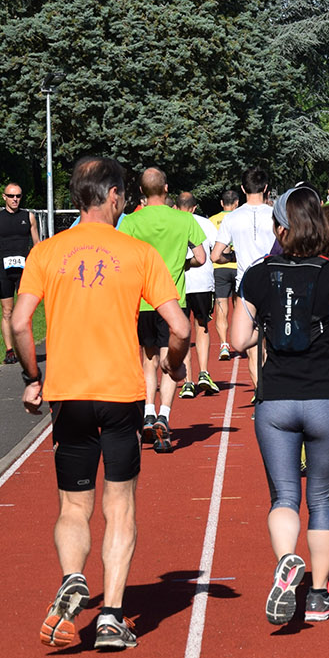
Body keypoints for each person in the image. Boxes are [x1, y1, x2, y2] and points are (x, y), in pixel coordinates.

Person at [16, 157, 190, 651]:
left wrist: (33, 378)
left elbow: (18, 322)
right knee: (121, 505)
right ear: (113, 195)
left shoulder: (47, 252)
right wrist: (174, 366)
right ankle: (112, 615)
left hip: (68, 394)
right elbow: (179, 328)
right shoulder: (137, 253)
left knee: (74, 504)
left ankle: (75, 575)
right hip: (120, 394)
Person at [227, 186, 329, 624]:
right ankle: (320, 595)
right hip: (326, 394)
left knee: (284, 495)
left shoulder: (257, 273)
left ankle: (287, 559)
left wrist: (266, 326)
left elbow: (236, 339)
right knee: (321, 497)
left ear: (279, 229)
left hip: (276, 399)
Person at [116, 168, 206, 451]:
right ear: (166, 189)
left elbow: (121, 258)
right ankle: (164, 417)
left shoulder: (130, 222)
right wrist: (181, 264)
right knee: (171, 362)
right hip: (173, 300)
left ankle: (147, 412)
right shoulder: (184, 219)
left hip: (142, 301)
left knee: (148, 360)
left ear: (141, 191)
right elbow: (202, 258)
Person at [208, 167, 277, 387]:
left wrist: (233, 255)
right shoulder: (275, 214)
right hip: (273, 281)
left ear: (242, 189)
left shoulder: (232, 218)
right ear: (265, 188)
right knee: (273, 339)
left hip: (246, 286)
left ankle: (260, 391)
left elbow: (215, 255)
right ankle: (274, 387)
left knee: (252, 344)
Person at [0, 180, 41, 365]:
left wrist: (38, 264)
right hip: (4, 270)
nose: (15, 199)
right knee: (7, 311)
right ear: (4, 197)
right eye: (11, 196)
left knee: (24, 312)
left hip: (26, 271)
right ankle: (10, 350)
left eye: (18, 196)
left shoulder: (29, 217)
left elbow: (37, 244)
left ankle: (25, 349)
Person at [174, 192, 220, 399]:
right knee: (202, 326)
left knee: (182, 332)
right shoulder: (205, 223)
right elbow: (213, 251)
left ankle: (188, 382)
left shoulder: (172, 222)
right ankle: (204, 372)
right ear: (194, 208)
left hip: (179, 282)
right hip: (202, 282)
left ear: (176, 206)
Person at [210, 188, 241, 361]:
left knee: (221, 305)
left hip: (219, 267)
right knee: (240, 306)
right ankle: (240, 340)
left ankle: (223, 344)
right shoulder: (240, 218)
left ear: (222, 203)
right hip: (238, 266)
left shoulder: (213, 220)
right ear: (237, 203)